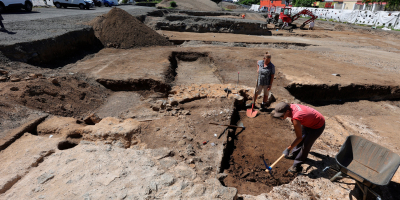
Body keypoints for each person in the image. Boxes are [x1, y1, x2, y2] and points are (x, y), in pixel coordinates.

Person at [273, 102, 325, 173]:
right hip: (309, 122)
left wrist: (288, 149)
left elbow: (299, 138)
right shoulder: (290, 107)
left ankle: (297, 165)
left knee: (306, 144)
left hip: (318, 125)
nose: (280, 118)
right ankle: (294, 154)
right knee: (301, 137)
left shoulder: (296, 118)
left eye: (281, 116)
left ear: (287, 111)